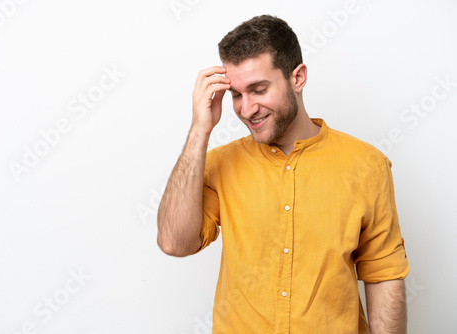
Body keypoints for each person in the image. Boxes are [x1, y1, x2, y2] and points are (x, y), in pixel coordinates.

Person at [157, 14, 409, 334]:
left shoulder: (366, 165)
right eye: (236, 94)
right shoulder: (217, 164)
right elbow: (174, 243)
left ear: (298, 78)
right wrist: (199, 129)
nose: (247, 109)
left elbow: (384, 275)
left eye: (259, 89)